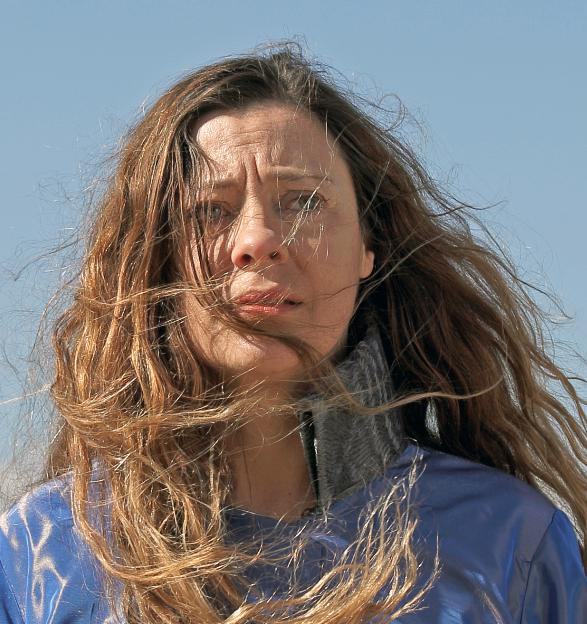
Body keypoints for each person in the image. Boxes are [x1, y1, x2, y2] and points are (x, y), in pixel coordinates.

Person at [0, 46, 585, 623]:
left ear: (369, 246)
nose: (257, 239)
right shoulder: (39, 554)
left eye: (303, 202)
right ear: (158, 259)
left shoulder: (511, 547)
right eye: (210, 210)